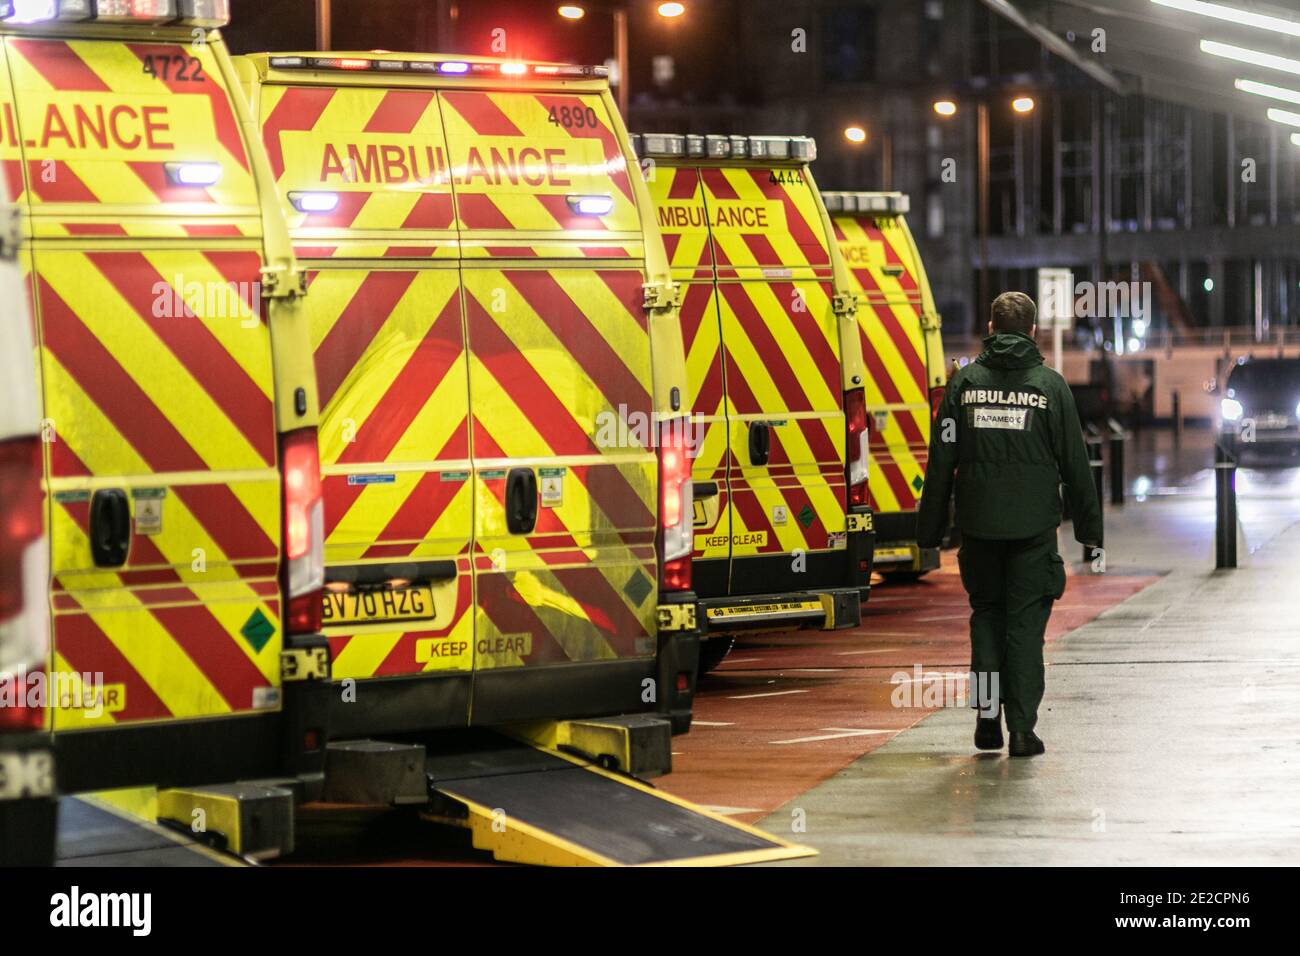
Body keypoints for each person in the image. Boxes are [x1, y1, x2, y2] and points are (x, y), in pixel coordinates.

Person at [916, 292, 1103, 757]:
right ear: (1033, 331)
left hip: (979, 530)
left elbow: (941, 461)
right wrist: (1091, 534)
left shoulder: (963, 386)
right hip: (1032, 534)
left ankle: (986, 720)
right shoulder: (1050, 387)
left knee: (985, 619)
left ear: (990, 326)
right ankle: (1021, 730)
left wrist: (929, 530)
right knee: (1024, 629)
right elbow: (1076, 465)